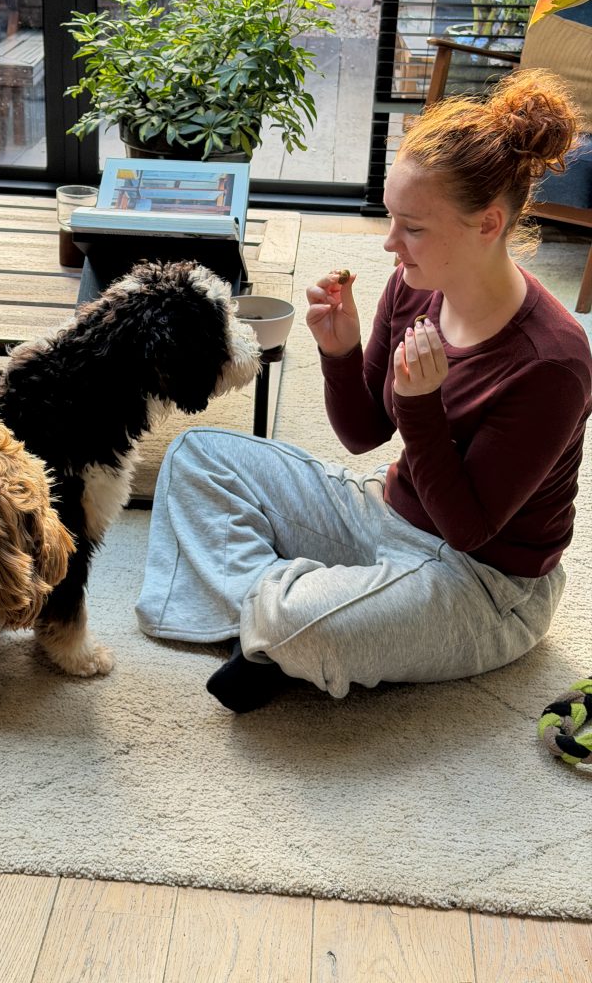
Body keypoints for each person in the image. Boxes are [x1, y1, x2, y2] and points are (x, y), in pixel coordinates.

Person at [134, 68, 592, 713]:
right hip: (385, 509)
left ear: (488, 224)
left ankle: (291, 622)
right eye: (390, 217)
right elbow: (362, 434)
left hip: (484, 580)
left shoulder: (553, 363)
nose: (389, 243)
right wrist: (340, 352)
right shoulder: (415, 285)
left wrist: (422, 406)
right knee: (196, 456)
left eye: (413, 226)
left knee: (302, 622)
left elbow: (467, 529)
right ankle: (282, 621)